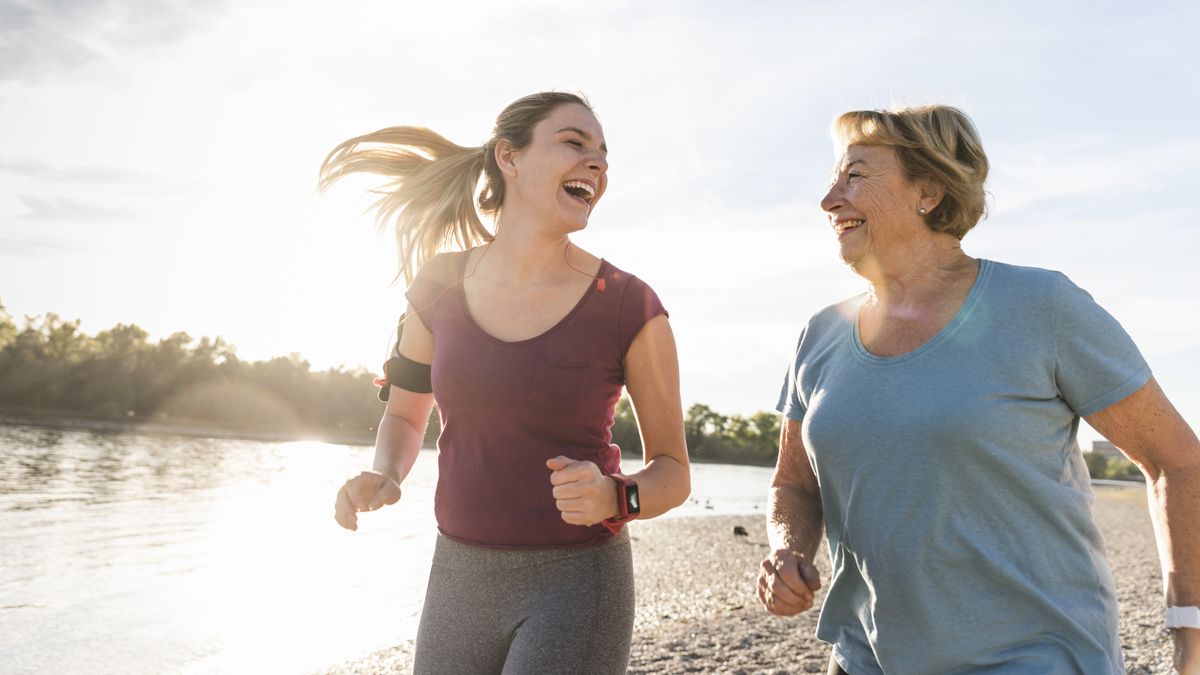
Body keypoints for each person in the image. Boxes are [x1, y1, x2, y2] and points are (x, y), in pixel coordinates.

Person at [758, 104, 1200, 674]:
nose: (829, 201)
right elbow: (793, 484)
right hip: (863, 659)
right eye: (833, 180)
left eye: (855, 176)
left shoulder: (1042, 306)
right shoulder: (820, 334)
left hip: (1036, 659)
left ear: (930, 191)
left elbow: (1176, 461)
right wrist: (787, 550)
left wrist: (1189, 632)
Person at [319, 91, 690, 674]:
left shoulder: (628, 306)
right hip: (458, 577)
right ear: (509, 158)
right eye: (574, 143)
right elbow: (406, 412)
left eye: (603, 155)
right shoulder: (438, 285)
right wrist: (385, 473)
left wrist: (618, 496)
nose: (597, 164)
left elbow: (673, 469)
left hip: (576, 581)